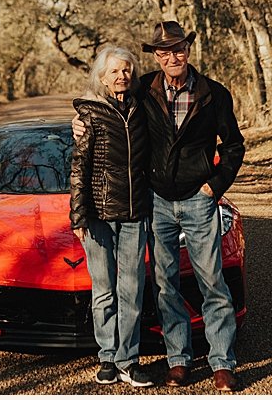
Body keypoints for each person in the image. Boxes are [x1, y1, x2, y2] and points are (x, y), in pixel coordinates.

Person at [73, 20, 246, 392]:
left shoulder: (214, 94)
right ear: (156, 56)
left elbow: (233, 147)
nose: (172, 56)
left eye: (178, 48)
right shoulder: (145, 90)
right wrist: (79, 122)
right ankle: (178, 360)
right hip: (157, 203)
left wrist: (212, 187)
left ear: (188, 49)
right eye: (164, 51)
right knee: (166, 285)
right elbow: (106, 112)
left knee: (212, 282)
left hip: (198, 202)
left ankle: (222, 362)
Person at [69, 45, 156, 388]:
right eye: (115, 71)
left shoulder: (143, 108)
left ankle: (128, 360)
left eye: (127, 70)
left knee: (132, 290)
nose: (123, 76)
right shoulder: (90, 115)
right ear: (102, 78)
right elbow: (79, 168)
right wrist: (78, 216)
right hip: (99, 217)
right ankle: (107, 357)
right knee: (104, 289)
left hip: (136, 213)